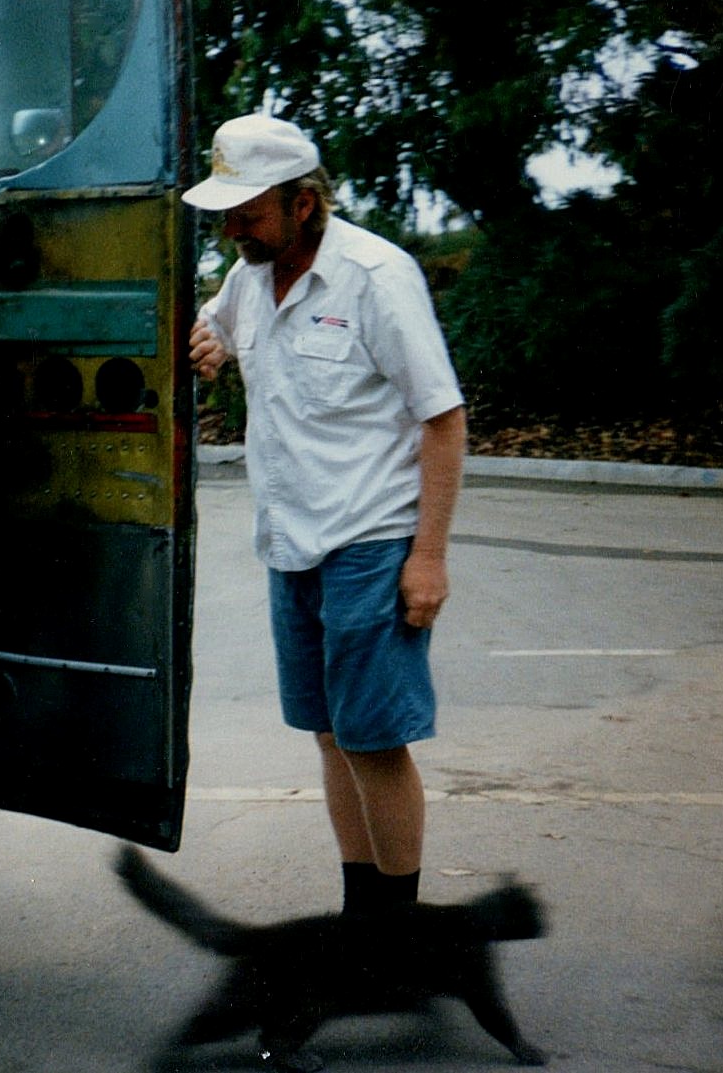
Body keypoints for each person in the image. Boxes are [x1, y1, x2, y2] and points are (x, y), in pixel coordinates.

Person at [184, 114, 467, 919]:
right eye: (226, 215)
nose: (232, 230)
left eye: (247, 213)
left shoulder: (375, 276)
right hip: (291, 544)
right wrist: (208, 344)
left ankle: (396, 933)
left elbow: (443, 419)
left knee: (373, 741)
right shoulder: (249, 276)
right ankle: (362, 915)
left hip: (370, 542)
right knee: (331, 734)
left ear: (303, 203)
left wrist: (429, 557)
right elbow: (216, 327)